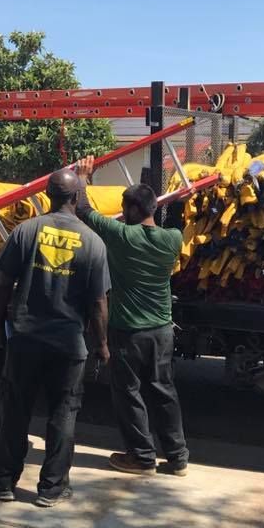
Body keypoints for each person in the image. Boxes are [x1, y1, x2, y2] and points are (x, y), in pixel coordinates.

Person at [0, 168, 111, 507]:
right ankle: (51, 488)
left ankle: (3, 483)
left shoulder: (25, 231)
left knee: (15, 409)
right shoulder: (93, 242)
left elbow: (2, 285)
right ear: (76, 198)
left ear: (47, 196)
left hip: (25, 338)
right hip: (68, 344)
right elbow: (99, 302)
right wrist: (101, 344)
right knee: (63, 414)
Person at [73, 156, 189, 477]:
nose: (122, 214)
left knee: (128, 393)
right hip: (163, 330)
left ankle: (141, 457)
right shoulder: (173, 240)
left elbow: (84, 211)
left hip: (129, 332)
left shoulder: (124, 237)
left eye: (126, 209)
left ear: (136, 211)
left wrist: (83, 177)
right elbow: (174, 218)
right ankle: (177, 458)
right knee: (164, 390)